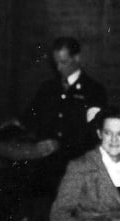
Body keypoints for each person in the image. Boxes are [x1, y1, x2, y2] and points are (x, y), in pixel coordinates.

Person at [21, 36, 108, 196]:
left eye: (64, 62)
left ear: (77, 58)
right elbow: (30, 119)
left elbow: (96, 134)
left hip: (76, 171)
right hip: (46, 170)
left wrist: (62, 144)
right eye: (56, 63)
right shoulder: (47, 89)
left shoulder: (94, 91)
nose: (59, 68)